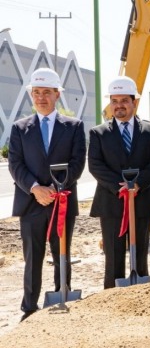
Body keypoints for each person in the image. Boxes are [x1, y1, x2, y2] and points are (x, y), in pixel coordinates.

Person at [8, 68, 86, 321]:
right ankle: (29, 307)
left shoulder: (74, 127)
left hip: (61, 201)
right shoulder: (20, 128)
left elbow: (77, 162)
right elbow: (15, 164)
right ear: (32, 95)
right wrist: (35, 188)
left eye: (47, 92)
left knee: (61, 253)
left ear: (57, 95)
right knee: (33, 257)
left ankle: (62, 296)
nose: (41, 97)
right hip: (31, 203)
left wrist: (56, 189)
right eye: (37, 92)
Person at [88, 76, 150, 289]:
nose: (119, 105)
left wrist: (138, 184)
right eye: (114, 101)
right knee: (113, 257)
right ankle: (112, 297)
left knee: (141, 254)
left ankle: (141, 295)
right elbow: (95, 165)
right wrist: (119, 186)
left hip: (142, 200)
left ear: (134, 102)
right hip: (111, 203)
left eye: (124, 100)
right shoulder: (98, 133)